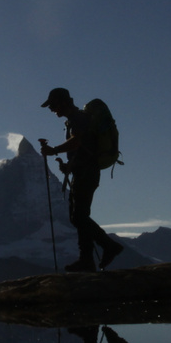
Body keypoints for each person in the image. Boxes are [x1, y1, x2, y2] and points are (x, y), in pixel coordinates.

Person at [38, 87, 125, 273]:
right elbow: (82, 148)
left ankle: (107, 247)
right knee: (77, 217)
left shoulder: (78, 119)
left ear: (62, 102)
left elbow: (77, 141)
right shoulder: (74, 120)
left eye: (53, 105)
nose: (52, 109)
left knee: (78, 216)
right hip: (83, 172)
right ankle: (88, 259)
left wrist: (53, 150)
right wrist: (68, 167)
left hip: (86, 173)